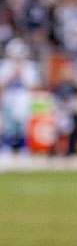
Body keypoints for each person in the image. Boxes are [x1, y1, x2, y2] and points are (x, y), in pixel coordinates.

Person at [0, 38, 41, 171]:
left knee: (24, 130)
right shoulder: (4, 65)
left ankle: (25, 156)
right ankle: (5, 155)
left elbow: (35, 87)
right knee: (8, 129)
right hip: (9, 98)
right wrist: (12, 75)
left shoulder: (30, 67)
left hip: (24, 100)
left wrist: (22, 74)